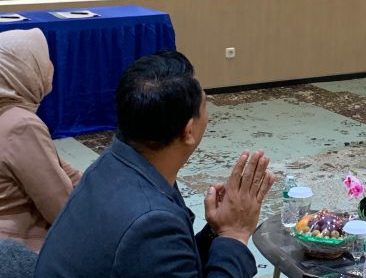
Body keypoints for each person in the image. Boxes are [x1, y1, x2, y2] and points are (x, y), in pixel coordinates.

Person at [35, 50, 276, 278]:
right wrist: (235, 235)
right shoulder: (151, 223)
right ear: (188, 130)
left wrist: (217, 230)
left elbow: (170, 266)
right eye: (204, 103)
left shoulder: (114, 163)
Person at [0, 28, 81, 252]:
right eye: (43, 60)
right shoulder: (22, 125)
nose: (50, 66)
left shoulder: (10, 116)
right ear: (22, 70)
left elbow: (63, 170)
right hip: (20, 248)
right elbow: (61, 208)